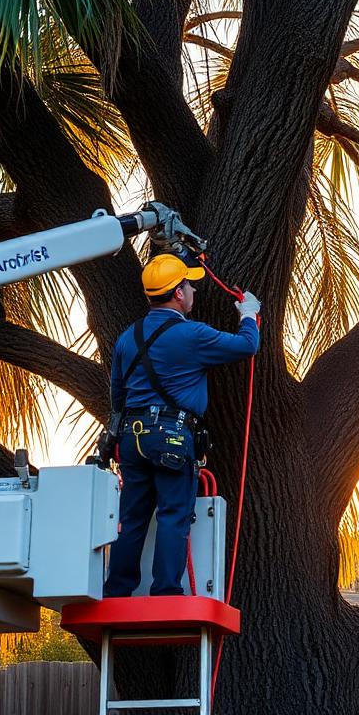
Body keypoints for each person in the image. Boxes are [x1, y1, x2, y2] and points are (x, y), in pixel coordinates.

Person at [103, 252, 260, 597]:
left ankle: (117, 589)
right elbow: (247, 346)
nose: (193, 292)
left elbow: (117, 395)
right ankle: (165, 591)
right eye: (189, 286)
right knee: (174, 514)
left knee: (132, 519)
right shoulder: (192, 335)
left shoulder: (128, 337)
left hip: (133, 436)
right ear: (177, 293)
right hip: (172, 436)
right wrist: (249, 314)